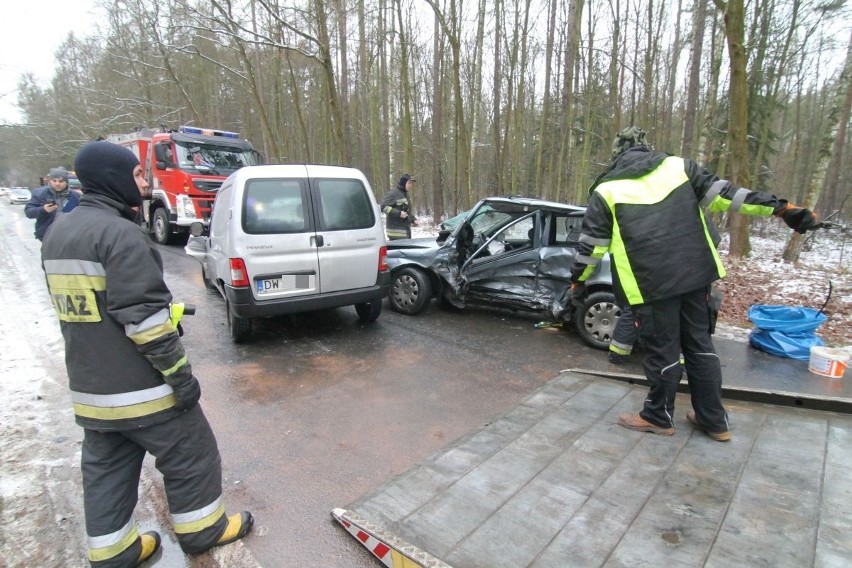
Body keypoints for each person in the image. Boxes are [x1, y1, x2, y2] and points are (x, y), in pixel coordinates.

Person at [41, 141, 253, 567]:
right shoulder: (119, 235)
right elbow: (145, 324)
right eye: (138, 175)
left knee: (107, 470)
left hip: (91, 389)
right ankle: (203, 530)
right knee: (191, 449)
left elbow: (95, 309)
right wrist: (180, 376)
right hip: (141, 387)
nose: (144, 183)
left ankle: (113, 551)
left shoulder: (58, 233)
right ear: (112, 178)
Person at [569, 126, 819, 442]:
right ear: (647, 148)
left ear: (617, 154)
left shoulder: (606, 190)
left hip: (649, 285)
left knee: (663, 352)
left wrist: (577, 282)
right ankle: (713, 420)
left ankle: (658, 417)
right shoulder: (678, 167)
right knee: (700, 348)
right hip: (695, 276)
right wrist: (781, 208)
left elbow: (592, 247)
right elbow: (730, 196)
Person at [25, 167, 81, 241]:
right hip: (47, 235)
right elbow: (29, 212)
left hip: (70, 235)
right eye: (54, 181)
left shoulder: (76, 196)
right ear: (50, 181)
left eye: (61, 181)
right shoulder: (40, 194)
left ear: (66, 182)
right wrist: (43, 210)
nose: (57, 184)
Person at [382, 173, 417, 240]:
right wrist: (399, 213)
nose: (411, 185)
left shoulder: (405, 194)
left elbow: (406, 211)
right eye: (409, 183)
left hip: (405, 233)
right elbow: (383, 207)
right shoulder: (393, 193)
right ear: (403, 183)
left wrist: (413, 219)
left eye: (411, 184)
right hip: (395, 234)